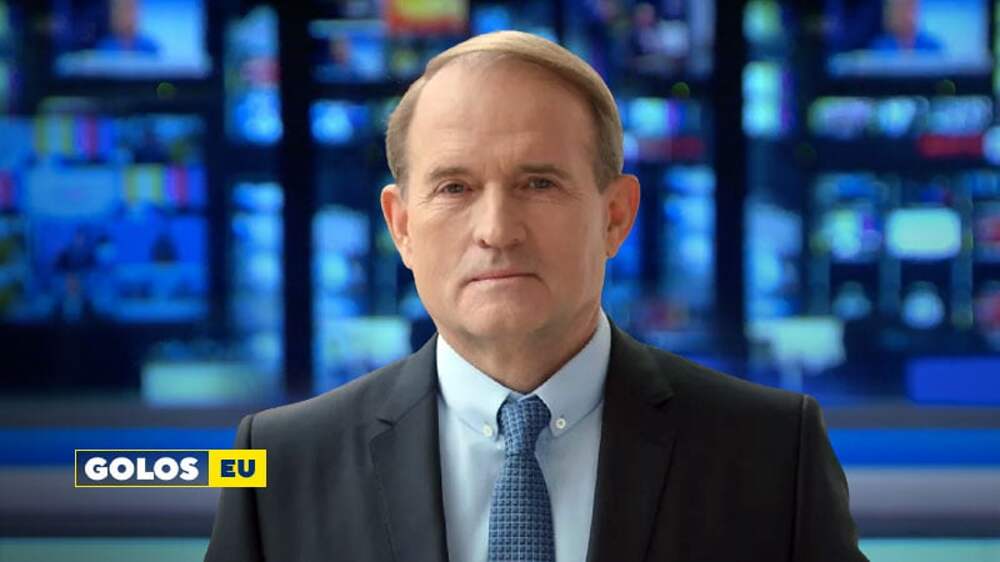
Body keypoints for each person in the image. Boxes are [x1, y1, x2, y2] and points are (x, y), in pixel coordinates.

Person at [206, 31, 868, 561]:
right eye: (455, 188)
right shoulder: (276, 464)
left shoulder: (772, 453)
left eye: (539, 184)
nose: (497, 231)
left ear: (615, 216)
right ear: (401, 227)